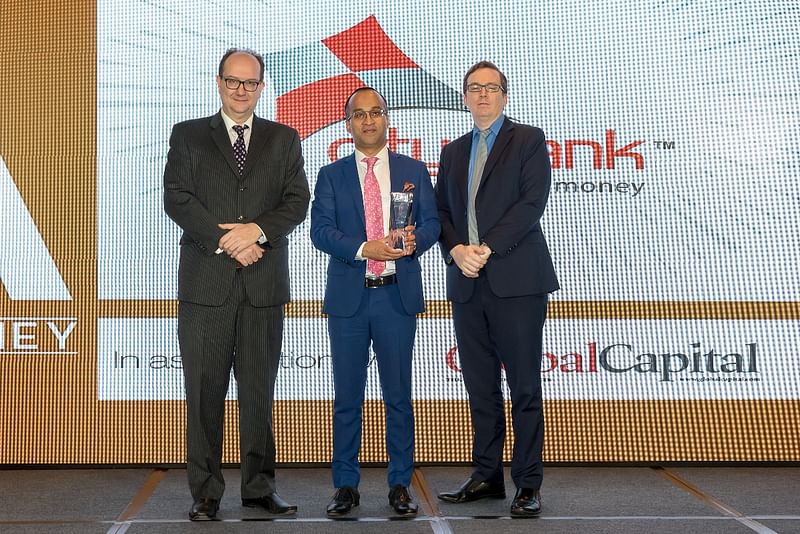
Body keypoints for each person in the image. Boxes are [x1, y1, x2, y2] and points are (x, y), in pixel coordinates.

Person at [163, 48, 310, 521]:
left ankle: (259, 488)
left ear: (262, 87)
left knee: (258, 392)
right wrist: (230, 240)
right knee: (204, 391)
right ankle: (205, 492)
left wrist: (258, 232)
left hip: (263, 285)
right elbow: (178, 199)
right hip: (207, 286)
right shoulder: (188, 135)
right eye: (233, 81)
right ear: (219, 83)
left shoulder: (284, 139)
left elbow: (295, 202)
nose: (241, 90)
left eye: (250, 83)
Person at [434, 61, 559, 517]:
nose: (482, 95)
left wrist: (485, 248)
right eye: (474, 88)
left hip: (516, 280)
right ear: (464, 97)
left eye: (491, 88)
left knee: (524, 386)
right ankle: (486, 476)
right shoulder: (452, 152)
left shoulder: (528, 139)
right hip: (466, 282)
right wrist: (456, 252)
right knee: (480, 386)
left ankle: (527, 483)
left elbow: (531, 202)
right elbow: (441, 214)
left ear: (505, 96)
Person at [310, 87, 440, 517]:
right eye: (359, 114)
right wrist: (367, 248)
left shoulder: (413, 170)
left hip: (395, 300)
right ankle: (345, 486)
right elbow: (321, 232)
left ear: (387, 119)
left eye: (376, 112)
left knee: (398, 396)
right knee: (347, 398)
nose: (368, 120)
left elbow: (435, 224)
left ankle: (400, 484)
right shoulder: (330, 175)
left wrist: (412, 240)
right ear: (347, 124)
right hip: (349, 300)